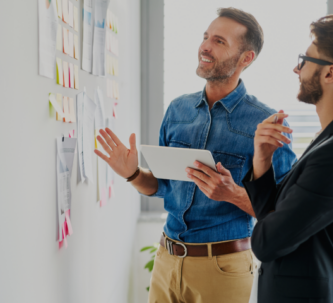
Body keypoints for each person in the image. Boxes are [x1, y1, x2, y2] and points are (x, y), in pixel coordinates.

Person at [94, 7, 296, 303]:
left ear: (246, 58)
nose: (205, 46)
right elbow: (162, 188)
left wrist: (232, 194)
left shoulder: (267, 125)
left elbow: (283, 217)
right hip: (167, 258)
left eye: (219, 41)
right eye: (205, 37)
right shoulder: (178, 110)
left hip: (222, 267)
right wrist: (133, 174)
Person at [242, 15, 333, 302]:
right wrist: (262, 162)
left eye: (305, 60)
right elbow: (275, 216)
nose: (297, 68)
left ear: (330, 73)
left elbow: (267, 243)